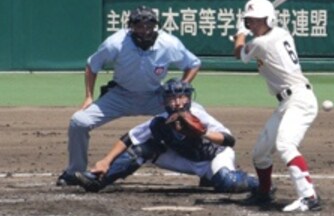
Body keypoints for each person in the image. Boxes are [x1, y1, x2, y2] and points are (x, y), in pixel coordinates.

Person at [58, 5, 201, 187]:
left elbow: (193, 63)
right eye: (139, 26)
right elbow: (92, 65)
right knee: (79, 122)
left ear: (155, 25)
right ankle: (74, 171)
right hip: (120, 95)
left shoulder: (169, 44)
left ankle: (205, 168)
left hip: (155, 96)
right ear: (131, 26)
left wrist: (183, 87)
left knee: (195, 116)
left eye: (149, 25)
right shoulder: (115, 43)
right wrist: (88, 96)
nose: (145, 30)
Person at [75, 79, 258, 197]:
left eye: (182, 97)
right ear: (165, 101)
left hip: (213, 157)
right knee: (143, 149)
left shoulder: (198, 114)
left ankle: (259, 185)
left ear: (189, 98)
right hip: (184, 159)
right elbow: (129, 137)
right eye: (172, 98)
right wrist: (106, 161)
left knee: (227, 182)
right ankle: (98, 181)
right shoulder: (160, 121)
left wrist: (203, 133)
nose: (178, 102)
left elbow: (229, 141)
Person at [232, 0, 321, 212]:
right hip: (286, 102)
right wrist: (245, 32)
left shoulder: (262, 43)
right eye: (249, 21)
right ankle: (264, 193)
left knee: (285, 145)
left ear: (269, 20)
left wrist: (239, 34)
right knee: (260, 154)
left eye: (255, 21)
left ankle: (308, 196)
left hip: (299, 100)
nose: (251, 24)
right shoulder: (281, 33)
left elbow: (240, 54)